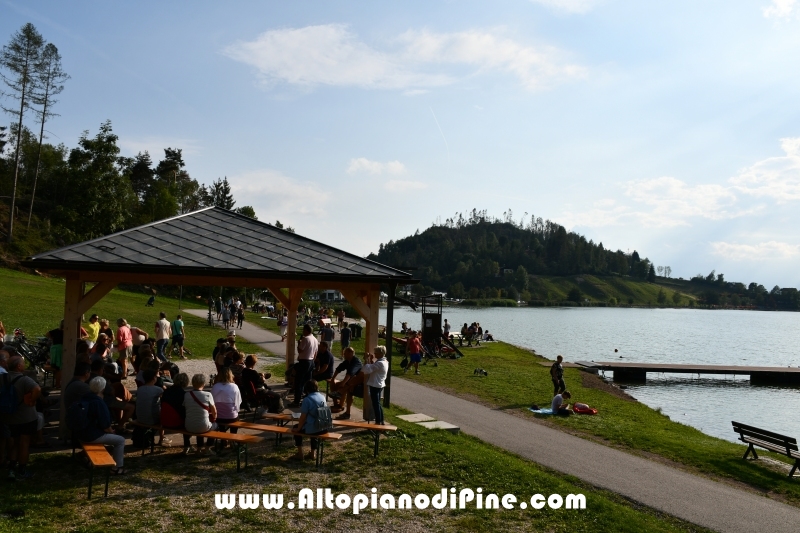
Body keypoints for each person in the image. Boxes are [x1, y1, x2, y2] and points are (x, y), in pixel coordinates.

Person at [1, 356, 41, 480]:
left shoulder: (2, 378)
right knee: (24, 443)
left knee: (14, 443)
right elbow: (37, 389)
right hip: (26, 417)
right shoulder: (24, 379)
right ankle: (22, 470)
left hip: (9, 416)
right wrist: (32, 401)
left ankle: (11, 469)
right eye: (23, 363)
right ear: (19, 366)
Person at [80, 377, 127, 474]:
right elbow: (105, 425)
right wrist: (112, 432)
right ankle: (117, 468)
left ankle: (87, 458)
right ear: (103, 389)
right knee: (120, 440)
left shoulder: (85, 397)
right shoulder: (99, 403)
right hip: (91, 435)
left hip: (80, 432)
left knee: (109, 437)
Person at [290, 380, 329, 461]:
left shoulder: (307, 399)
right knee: (313, 427)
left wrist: (298, 428)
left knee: (297, 429)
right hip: (324, 427)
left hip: (314, 428)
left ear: (306, 389)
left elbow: (303, 417)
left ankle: (300, 454)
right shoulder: (322, 396)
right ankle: (312, 453)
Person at [184, 374, 217, 454]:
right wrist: (214, 418)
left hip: (188, 426)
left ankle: (199, 448)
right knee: (214, 426)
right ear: (203, 384)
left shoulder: (187, 394)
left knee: (198, 421)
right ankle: (208, 447)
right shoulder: (207, 395)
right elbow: (214, 412)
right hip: (203, 426)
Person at [161, 372, 194, 455]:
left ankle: (188, 446)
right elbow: (183, 411)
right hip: (175, 422)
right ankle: (187, 445)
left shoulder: (167, 392)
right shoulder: (183, 394)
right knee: (188, 420)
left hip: (164, 420)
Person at [136, 369, 169, 446]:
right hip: (151, 419)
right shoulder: (158, 389)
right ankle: (161, 438)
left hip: (140, 417)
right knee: (162, 413)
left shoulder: (140, 389)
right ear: (154, 378)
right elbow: (165, 398)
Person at [329, 347, 364, 419]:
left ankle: (344, 409)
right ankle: (337, 404)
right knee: (334, 384)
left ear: (350, 354)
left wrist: (343, 383)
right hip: (351, 382)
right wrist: (333, 379)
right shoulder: (348, 361)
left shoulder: (356, 362)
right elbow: (339, 368)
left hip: (359, 383)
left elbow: (350, 374)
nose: (343, 355)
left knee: (344, 388)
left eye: (345, 353)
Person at [290, 324, 318, 407]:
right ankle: (307, 399)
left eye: (303, 330)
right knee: (308, 382)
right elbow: (316, 353)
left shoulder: (305, 339)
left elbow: (300, 350)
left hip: (304, 362)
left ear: (306, 330)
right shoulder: (315, 339)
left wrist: (299, 343)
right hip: (311, 361)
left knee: (299, 382)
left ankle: (296, 401)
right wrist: (313, 360)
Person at [211, 369, 241, 442]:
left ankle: (223, 439)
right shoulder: (234, 386)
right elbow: (238, 401)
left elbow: (212, 401)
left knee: (221, 425)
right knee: (235, 420)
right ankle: (232, 439)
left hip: (218, 416)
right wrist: (237, 410)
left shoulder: (215, 386)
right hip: (231, 416)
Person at [363, 346, 389, 425]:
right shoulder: (384, 361)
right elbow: (373, 368)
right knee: (378, 403)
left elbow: (366, 370)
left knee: (376, 404)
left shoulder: (380, 363)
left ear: (380, 353)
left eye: (376, 352)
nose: (374, 354)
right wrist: (371, 360)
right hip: (379, 384)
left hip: (375, 385)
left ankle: (378, 421)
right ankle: (381, 420)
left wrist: (366, 360)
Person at [46, 321, 64, 388]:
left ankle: (57, 383)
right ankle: (58, 384)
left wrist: (52, 338)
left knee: (56, 367)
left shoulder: (56, 331)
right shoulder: (65, 332)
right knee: (59, 367)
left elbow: (47, 334)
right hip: (60, 349)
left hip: (54, 348)